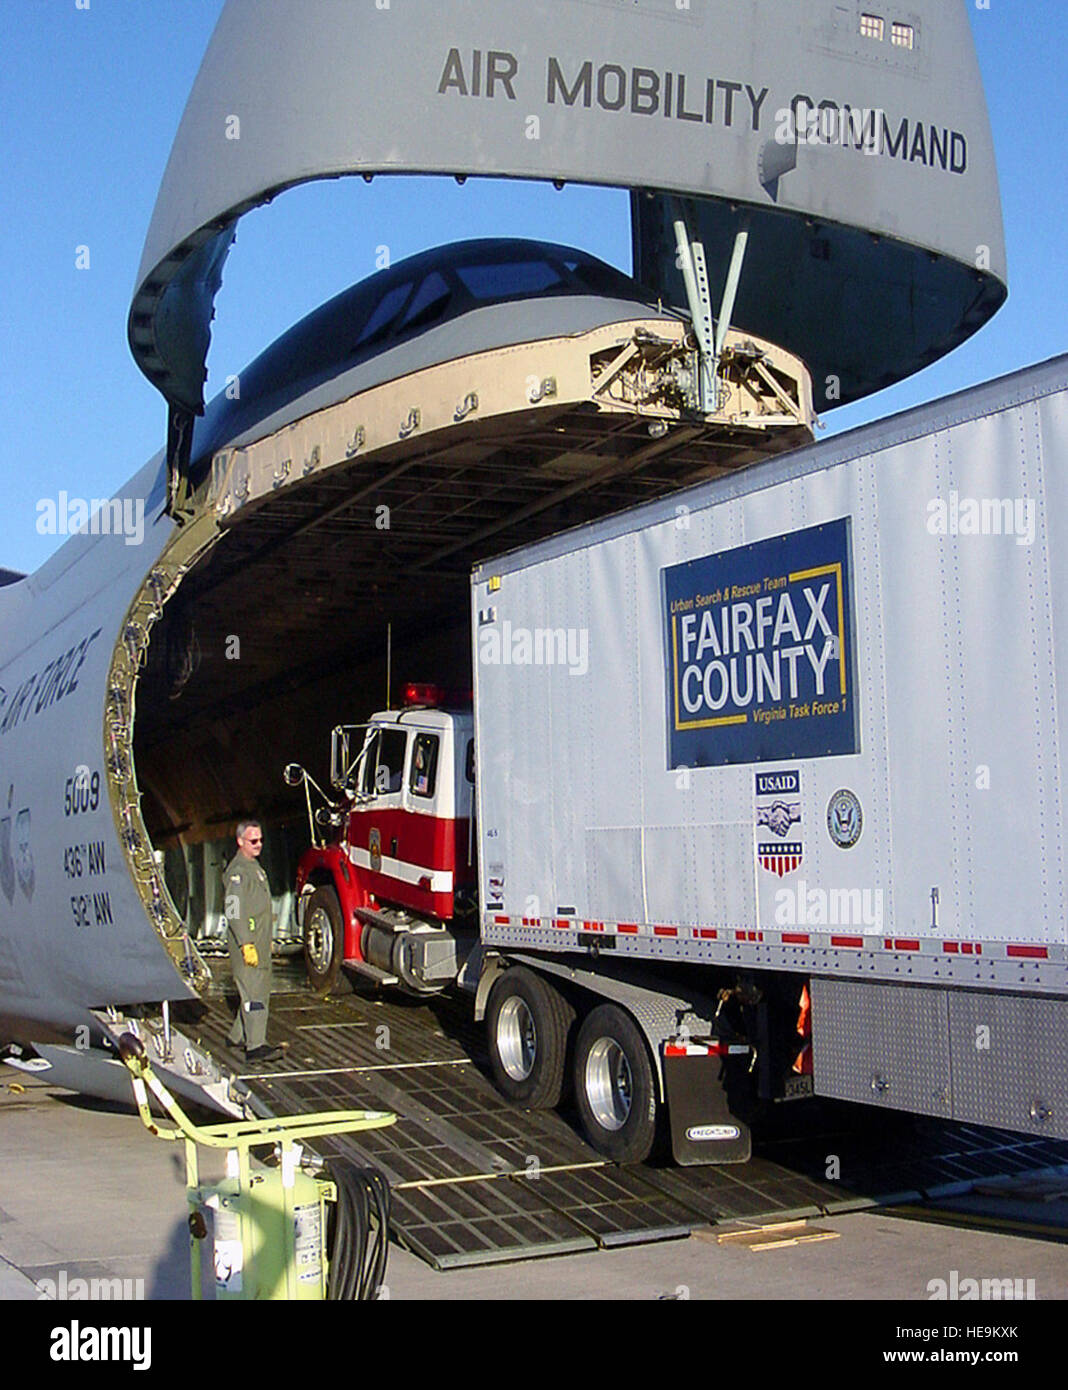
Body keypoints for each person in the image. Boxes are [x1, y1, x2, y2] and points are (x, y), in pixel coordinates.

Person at [224, 820, 281, 1064]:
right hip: (247, 944)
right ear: (240, 842)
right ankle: (255, 1046)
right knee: (254, 996)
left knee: (257, 989)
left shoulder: (253, 867)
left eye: (260, 840)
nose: (259, 845)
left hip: (259, 940)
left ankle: (237, 1035)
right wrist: (245, 943)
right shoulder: (238, 872)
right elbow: (234, 910)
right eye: (253, 841)